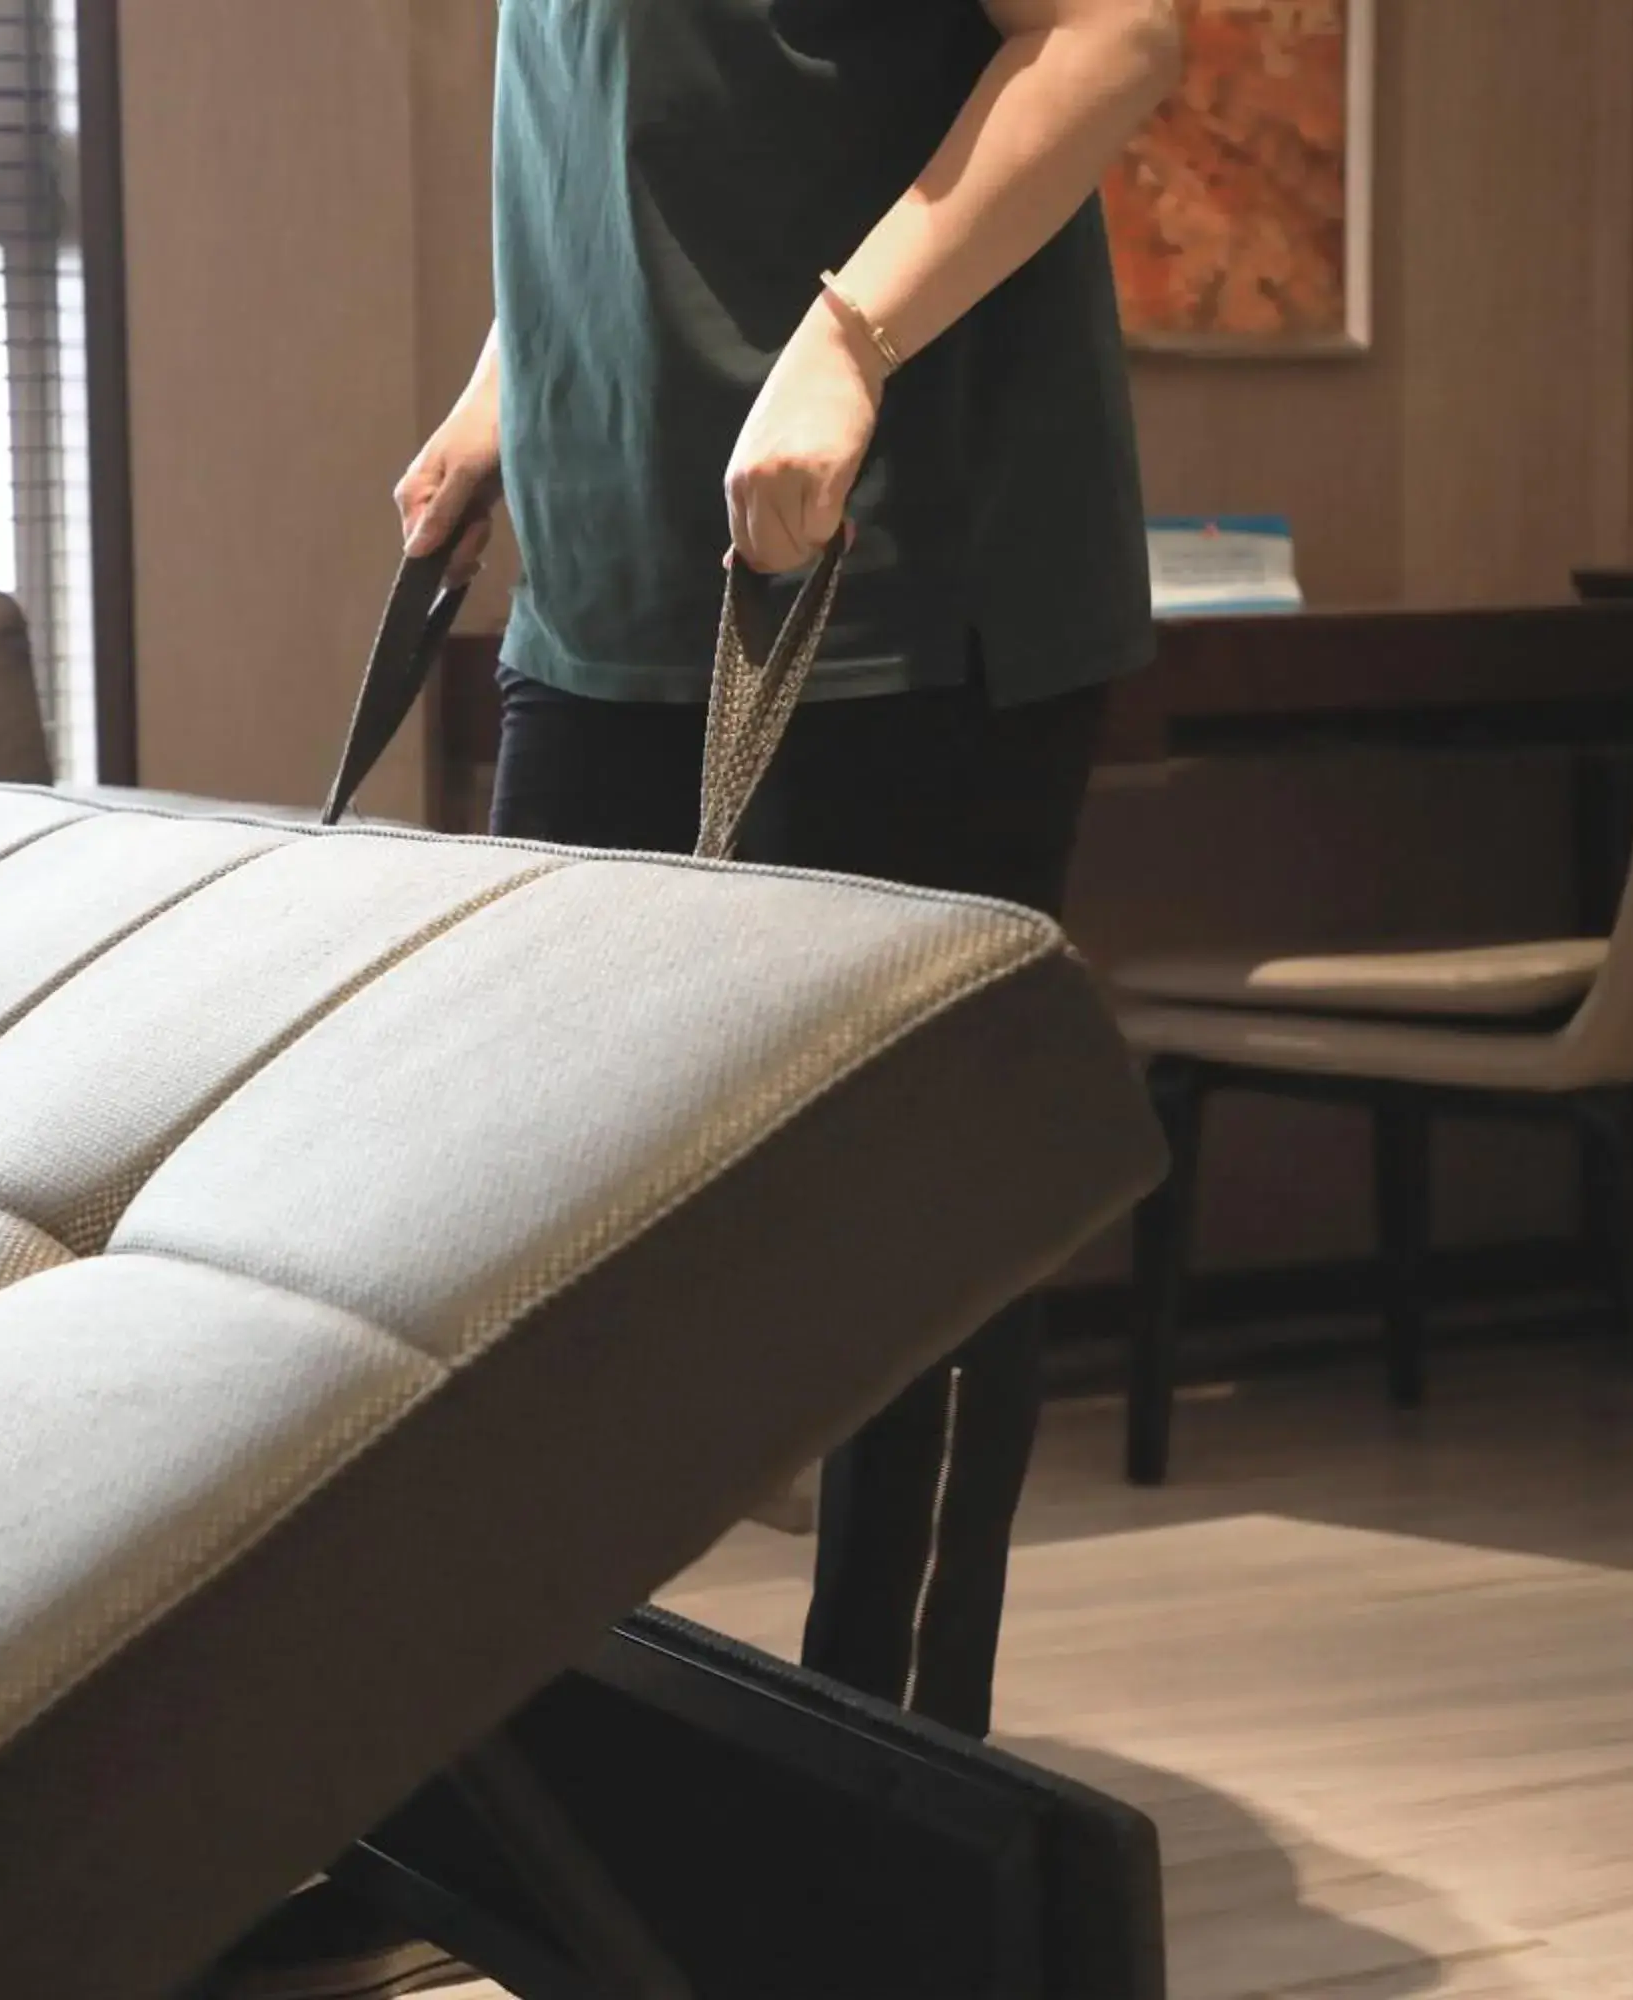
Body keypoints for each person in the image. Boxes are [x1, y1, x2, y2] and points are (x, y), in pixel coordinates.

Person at [396, 0, 1180, 1744]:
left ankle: (894, 1798)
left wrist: (851, 337)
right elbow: (636, 136)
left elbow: (1115, 35)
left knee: (917, 1238)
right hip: (605, 597)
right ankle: (529, 1797)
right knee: (523, 1233)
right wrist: (507, 383)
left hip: (899, 599)